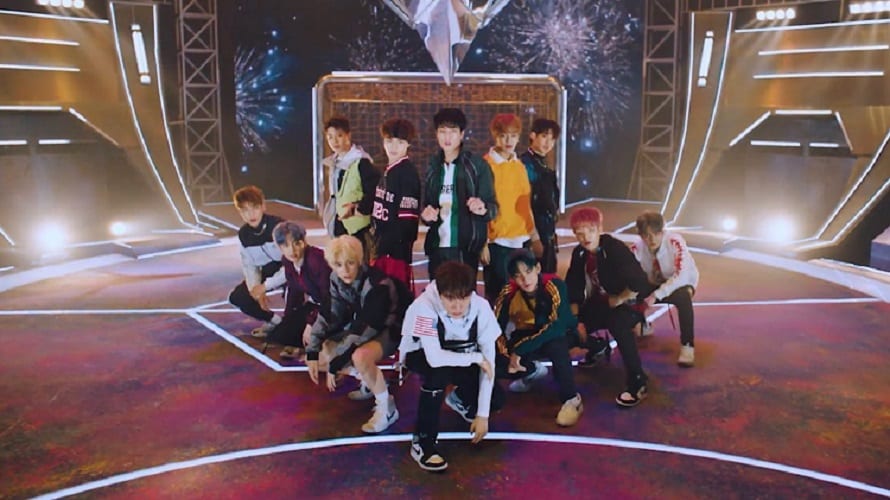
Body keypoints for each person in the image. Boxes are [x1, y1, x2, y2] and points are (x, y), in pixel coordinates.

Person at [398, 261, 499, 472]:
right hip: (422, 354)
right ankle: (423, 442)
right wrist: (475, 358)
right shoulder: (423, 307)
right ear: (440, 293)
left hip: (462, 353)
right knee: (439, 373)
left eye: (463, 298)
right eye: (450, 299)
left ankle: (458, 399)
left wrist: (483, 414)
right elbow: (434, 358)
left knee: (496, 397)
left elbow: (488, 362)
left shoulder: (482, 308)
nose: (457, 306)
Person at [305, 235, 406, 433]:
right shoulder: (336, 279)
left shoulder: (378, 284)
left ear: (359, 261)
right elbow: (328, 314)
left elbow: (367, 329)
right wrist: (312, 351)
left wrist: (337, 364)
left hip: (393, 327)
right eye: (338, 264)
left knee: (360, 356)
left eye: (350, 263)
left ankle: (388, 409)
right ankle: (369, 382)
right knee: (325, 350)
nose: (345, 270)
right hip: (366, 326)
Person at [565, 207, 651, 407]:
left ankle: (638, 381)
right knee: (568, 326)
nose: (586, 237)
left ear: (600, 229)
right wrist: (576, 321)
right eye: (580, 232)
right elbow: (573, 288)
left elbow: (640, 282)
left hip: (628, 304)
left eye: (590, 230)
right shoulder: (579, 253)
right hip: (602, 303)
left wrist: (619, 298)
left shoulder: (615, 249)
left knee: (618, 324)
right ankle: (597, 347)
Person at [492, 249, 583, 426]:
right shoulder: (508, 293)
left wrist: (520, 350)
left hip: (561, 333)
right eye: (518, 276)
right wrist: (507, 356)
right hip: (527, 335)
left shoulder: (554, 285)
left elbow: (557, 327)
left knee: (556, 344)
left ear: (538, 268)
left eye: (528, 272)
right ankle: (532, 370)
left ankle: (571, 399)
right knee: (497, 360)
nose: (525, 280)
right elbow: (495, 330)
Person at [421, 108, 498, 281]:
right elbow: (427, 206)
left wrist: (483, 208)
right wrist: (426, 215)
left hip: (465, 248)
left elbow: (493, 208)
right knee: (436, 294)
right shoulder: (433, 166)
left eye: (453, 132)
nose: (447, 137)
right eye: (442, 132)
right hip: (437, 248)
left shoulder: (477, 166)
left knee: (462, 294)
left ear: (462, 134)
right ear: (436, 134)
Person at [482, 113, 542, 302]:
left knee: (524, 296)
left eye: (513, 135)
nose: (508, 141)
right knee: (499, 296)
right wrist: (482, 243)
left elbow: (525, 205)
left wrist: (534, 237)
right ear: (495, 135)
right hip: (497, 242)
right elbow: (479, 207)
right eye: (503, 135)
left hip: (522, 240)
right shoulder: (485, 166)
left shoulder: (519, 166)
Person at [630, 211, 700, 367]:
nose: (652, 239)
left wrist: (656, 295)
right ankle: (643, 324)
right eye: (647, 235)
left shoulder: (675, 242)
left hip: (680, 282)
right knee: (631, 290)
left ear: (663, 231)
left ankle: (687, 345)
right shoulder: (636, 248)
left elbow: (681, 275)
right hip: (653, 281)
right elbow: (629, 274)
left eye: (656, 233)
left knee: (684, 298)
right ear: (641, 235)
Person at [266, 221, 331, 360]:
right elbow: (294, 292)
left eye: (296, 243)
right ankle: (312, 343)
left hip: (332, 305)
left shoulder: (316, 260)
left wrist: (311, 323)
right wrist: (288, 319)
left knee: (313, 330)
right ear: (279, 247)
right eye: (285, 246)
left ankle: (326, 344)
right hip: (316, 304)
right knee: (281, 333)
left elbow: (328, 297)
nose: (292, 250)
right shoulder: (288, 261)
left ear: (304, 242)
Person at [228, 185, 285, 337]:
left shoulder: (279, 227)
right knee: (238, 297)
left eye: (254, 208)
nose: (251, 214)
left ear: (263, 206)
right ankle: (275, 322)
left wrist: (265, 286)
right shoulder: (244, 235)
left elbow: (293, 263)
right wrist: (257, 291)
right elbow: (249, 266)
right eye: (245, 210)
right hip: (268, 271)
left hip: (292, 272)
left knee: (297, 299)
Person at [321, 116, 380, 263]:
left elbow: (374, 192)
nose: (334, 141)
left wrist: (358, 209)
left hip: (357, 226)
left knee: (358, 265)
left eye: (339, 136)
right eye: (330, 137)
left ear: (348, 135)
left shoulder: (361, 162)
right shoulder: (334, 162)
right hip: (339, 222)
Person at [372, 118, 421, 286]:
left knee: (394, 295)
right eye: (389, 141)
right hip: (381, 248)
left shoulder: (407, 174)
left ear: (408, 144)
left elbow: (407, 223)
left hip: (395, 254)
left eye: (400, 142)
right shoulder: (388, 170)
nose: (393, 147)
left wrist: (391, 247)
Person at [519, 118, 561, 274]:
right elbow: (524, 204)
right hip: (532, 236)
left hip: (546, 234)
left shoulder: (543, 164)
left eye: (552, 139)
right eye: (544, 136)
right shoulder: (525, 164)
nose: (548, 143)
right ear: (532, 135)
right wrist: (534, 237)